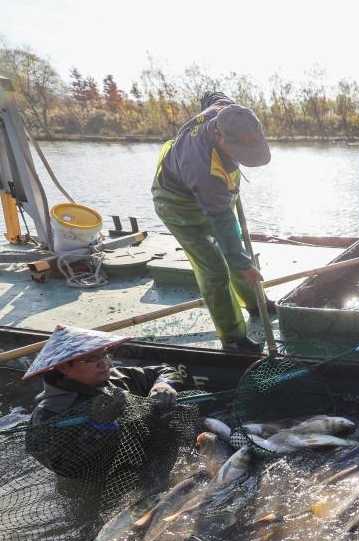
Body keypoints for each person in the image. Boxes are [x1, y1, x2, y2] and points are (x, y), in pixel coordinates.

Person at [152, 91, 272, 353]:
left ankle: (255, 303)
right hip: (179, 205)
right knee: (215, 268)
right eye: (240, 152)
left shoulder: (228, 112)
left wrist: (240, 257)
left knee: (238, 252)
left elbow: (211, 95)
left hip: (215, 197)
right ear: (218, 136)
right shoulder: (204, 168)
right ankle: (233, 338)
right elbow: (222, 220)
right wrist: (240, 262)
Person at [23, 325, 184, 480]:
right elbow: (65, 467)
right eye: (90, 359)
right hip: (107, 481)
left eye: (105, 354)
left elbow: (165, 370)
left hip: (155, 459)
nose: (105, 363)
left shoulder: (115, 378)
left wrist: (163, 384)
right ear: (64, 367)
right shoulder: (48, 414)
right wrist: (101, 429)